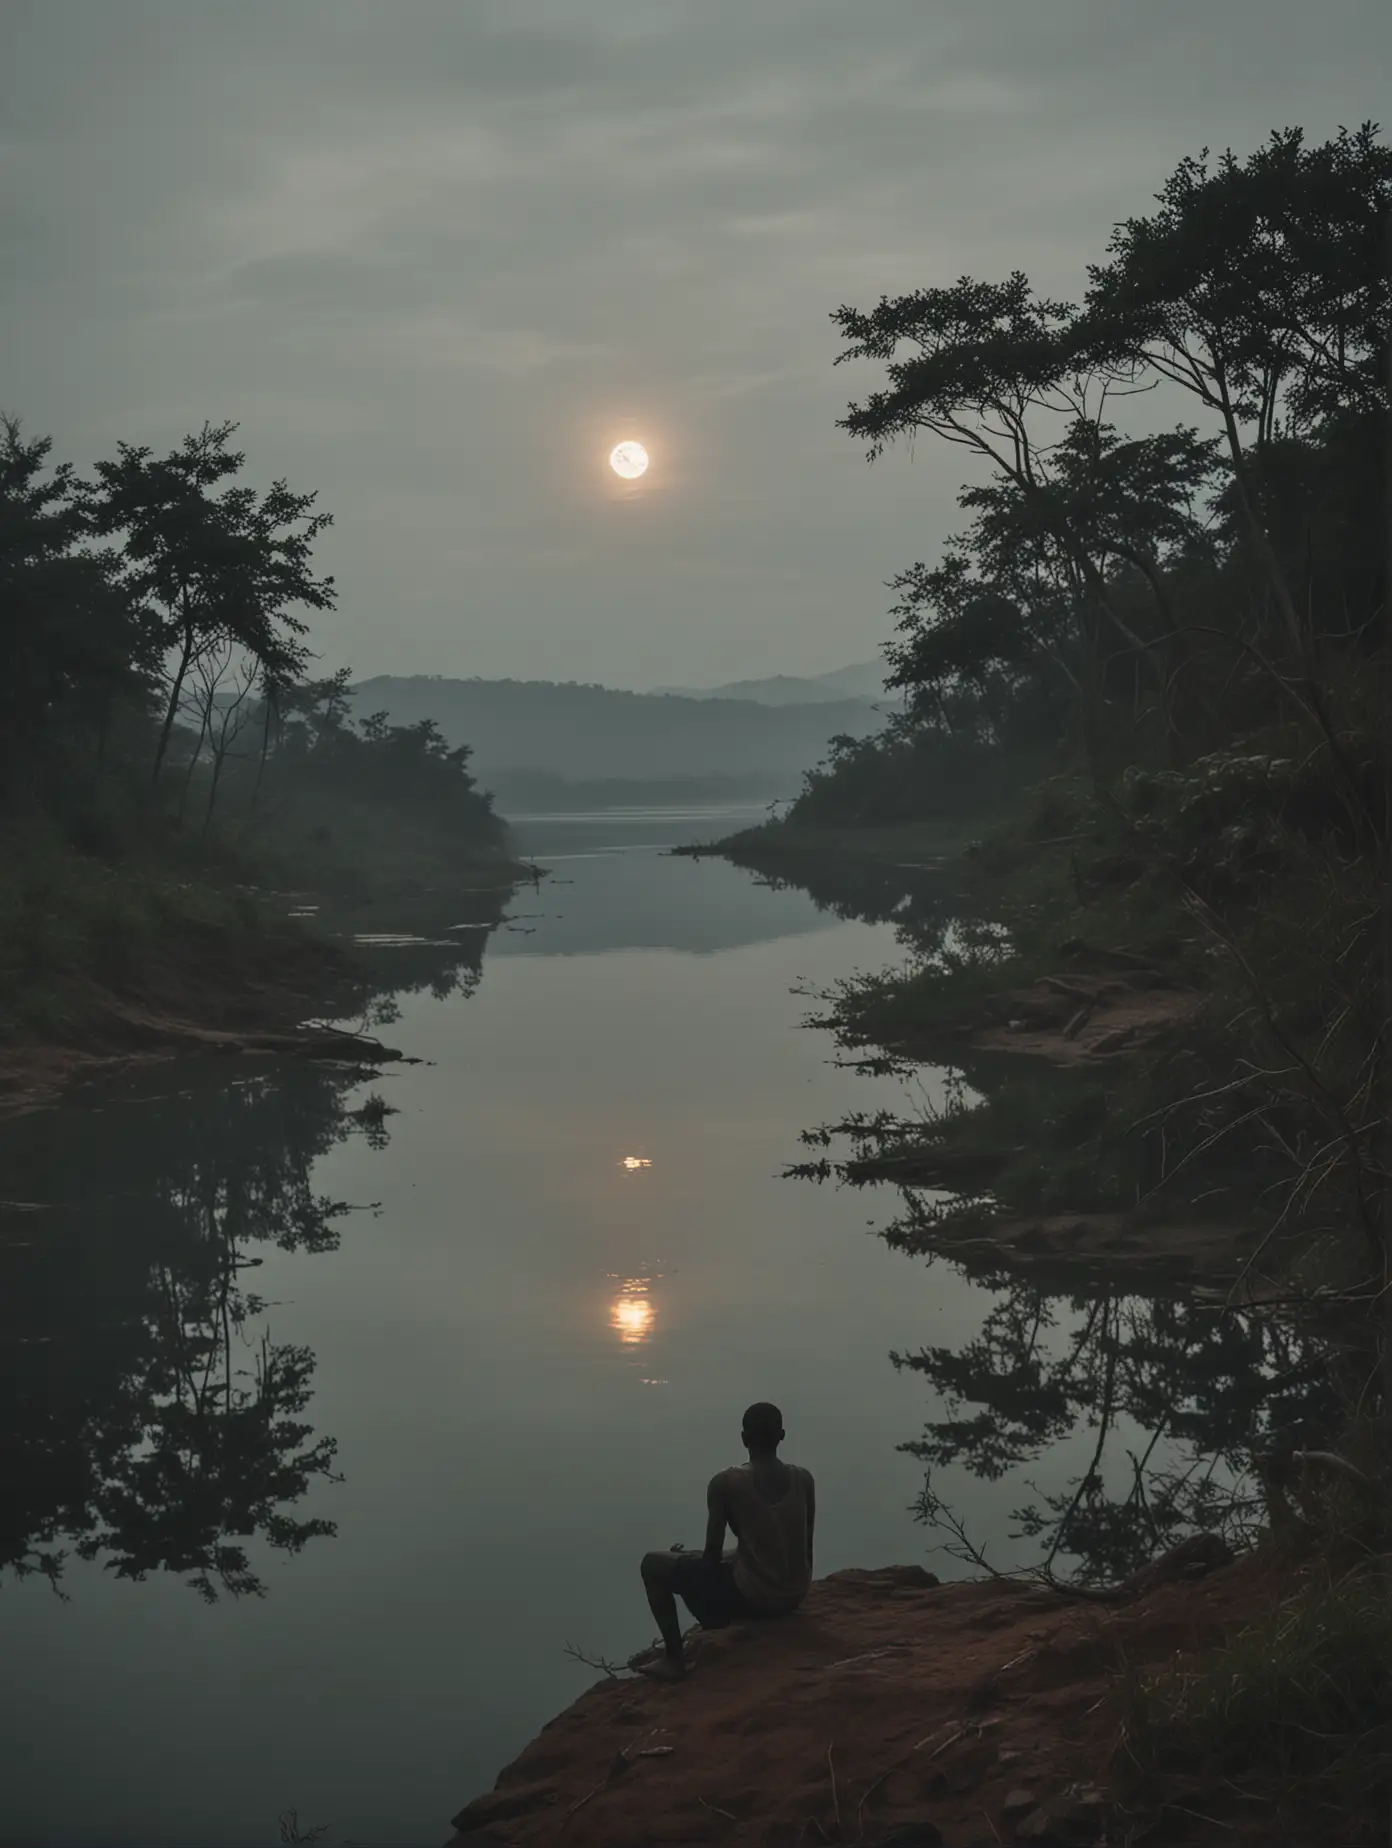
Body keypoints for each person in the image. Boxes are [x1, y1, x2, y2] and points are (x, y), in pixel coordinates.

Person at [636, 1402, 815, 1681]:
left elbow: (710, 1560)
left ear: (744, 1438)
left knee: (652, 1565)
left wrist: (686, 1566)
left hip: (757, 1599)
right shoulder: (803, 1479)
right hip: (795, 1595)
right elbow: (803, 1548)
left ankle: (674, 1659)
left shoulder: (726, 1483)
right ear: (782, 1435)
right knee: (695, 1560)